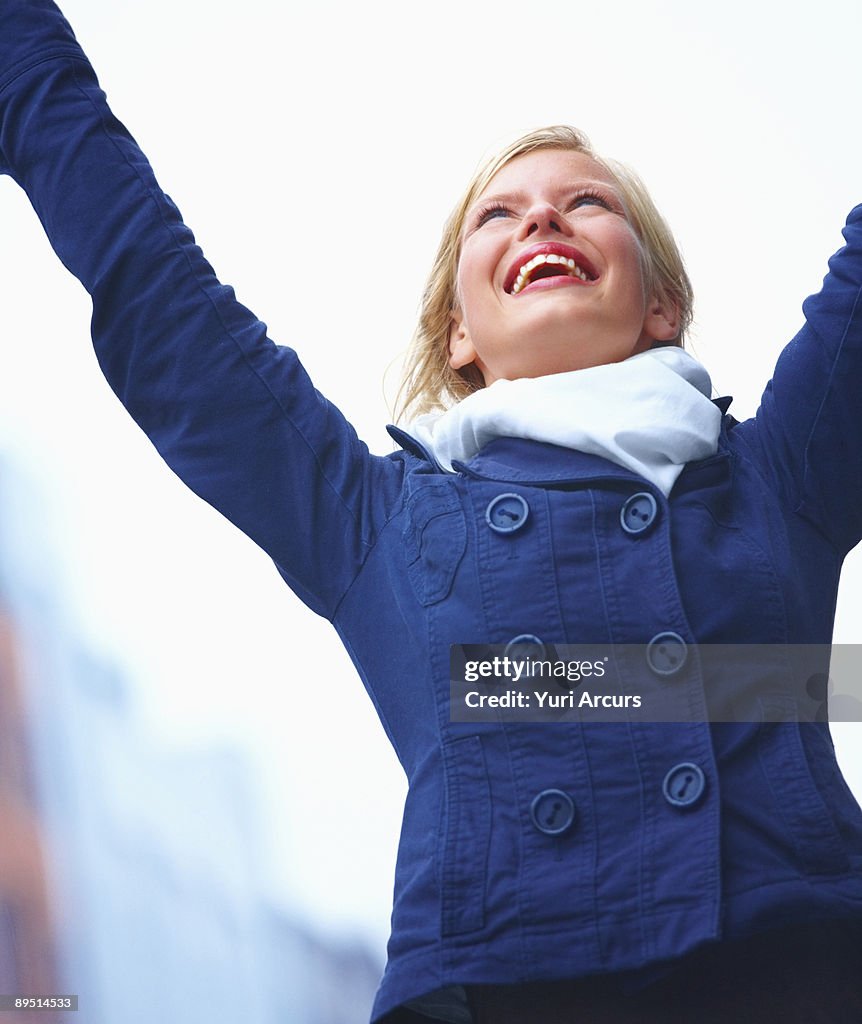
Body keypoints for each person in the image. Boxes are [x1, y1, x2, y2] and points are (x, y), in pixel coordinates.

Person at [1, 3, 861, 1022]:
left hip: (799, 966)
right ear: (458, 331)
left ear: (660, 305)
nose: (542, 218)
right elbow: (157, 294)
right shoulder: (377, 523)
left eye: (586, 202)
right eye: (499, 215)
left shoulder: (776, 476)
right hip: (497, 991)